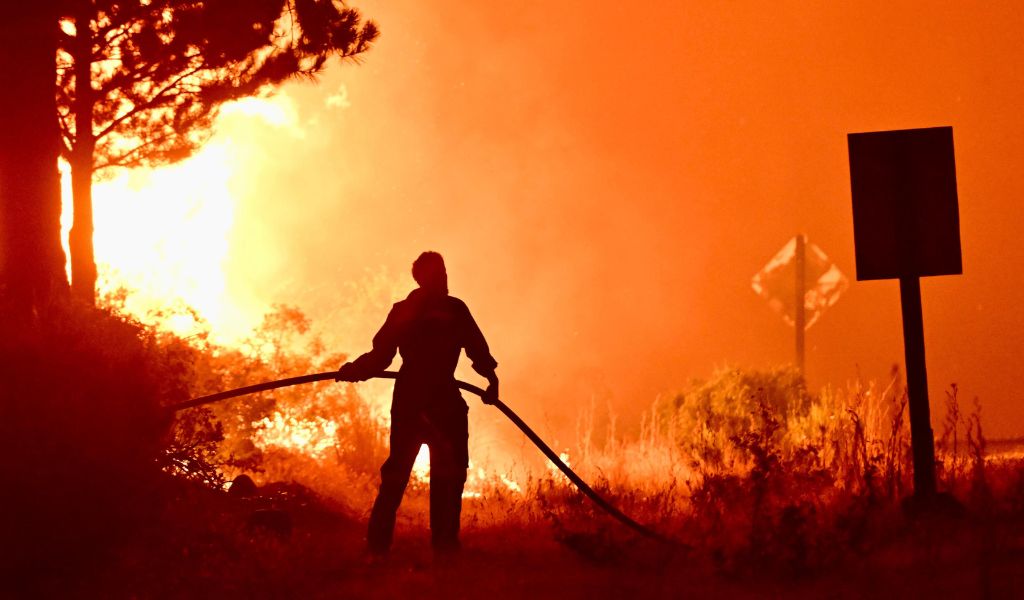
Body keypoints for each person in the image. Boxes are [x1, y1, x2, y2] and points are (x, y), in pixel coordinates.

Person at [336, 251, 499, 556]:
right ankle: (405, 548)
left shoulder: (433, 310)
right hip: (431, 402)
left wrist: (492, 380)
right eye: (439, 274)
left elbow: (381, 357)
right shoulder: (434, 310)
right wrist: (355, 370)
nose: (445, 279)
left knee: (425, 477)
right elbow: (382, 355)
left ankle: (409, 548)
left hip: (421, 401)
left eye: (445, 273)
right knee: (415, 476)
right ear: (424, 279)